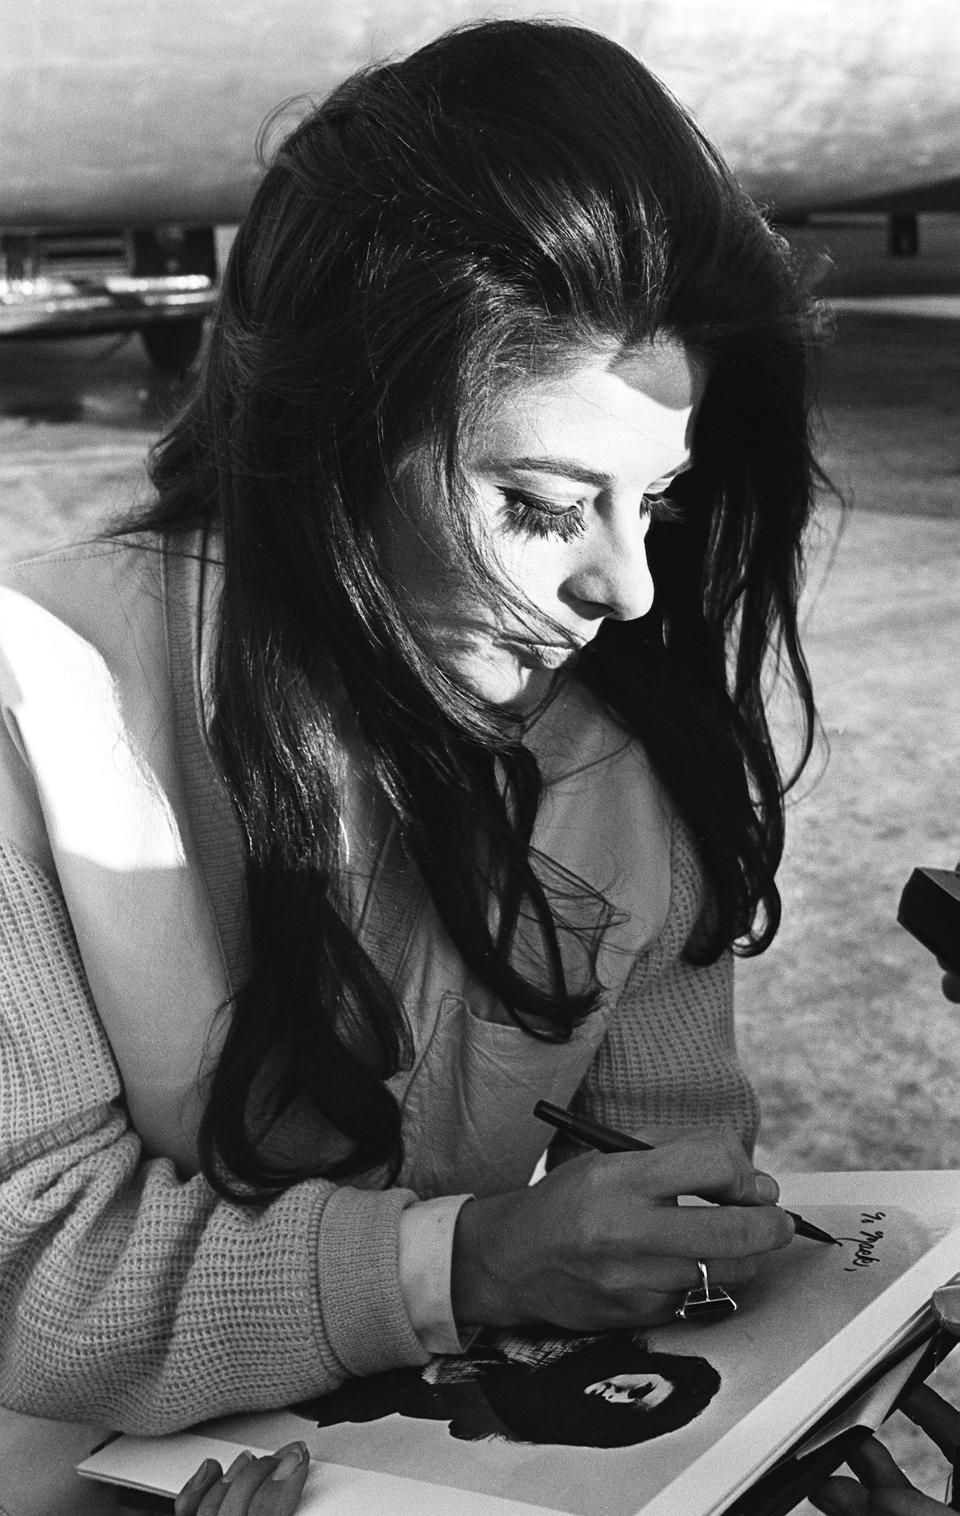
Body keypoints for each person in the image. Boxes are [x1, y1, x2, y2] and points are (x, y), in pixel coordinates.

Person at [0, 16, 825, 1509]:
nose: (627, 589)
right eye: (539, 502)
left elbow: (665, 1144)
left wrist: (677, 1236)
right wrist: (467, 1261)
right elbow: (27, 1269)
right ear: (328, 446)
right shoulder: (31, 704)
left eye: (662, 502)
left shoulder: (633, 752)